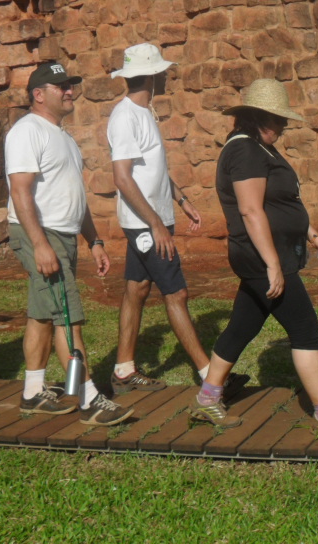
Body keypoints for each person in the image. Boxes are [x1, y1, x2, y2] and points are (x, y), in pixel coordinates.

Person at [190, 78, 318, 437]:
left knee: (243, 325)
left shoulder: (259, 148)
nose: (283, 126)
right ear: (256, 117)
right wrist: (272, 265)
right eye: (277, 119)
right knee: (304, 328)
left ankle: (208, 398)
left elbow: (282, 203)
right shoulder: (245, 151)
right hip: (260, 257)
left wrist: (315, 236)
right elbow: (251, 210)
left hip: (267, 256)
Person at [108, 43, 243, 393]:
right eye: (162, 72)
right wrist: (155, 224)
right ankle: (211, 377)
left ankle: (123, 370)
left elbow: (150, 170)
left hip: (153, 218)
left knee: (137, 288)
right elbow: (122, 178)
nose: (166, 77)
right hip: (144, 224)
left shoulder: (145, 112)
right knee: (177, 292)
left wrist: (181, 199)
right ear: (150, 76)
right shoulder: (124, 116)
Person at [6, 60, 133, 427]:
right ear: (38, 94)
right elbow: (20, 191)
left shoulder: (62, 137)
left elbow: (74, 195)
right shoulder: (27, 131)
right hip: (41, 234)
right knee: (68, 317)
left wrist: (94, 240)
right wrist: (40, 244)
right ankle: (88, 398)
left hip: (62, 235)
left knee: (43, 314)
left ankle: (33, 392)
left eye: (70, 85)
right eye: (61, 87)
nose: (69, 91)